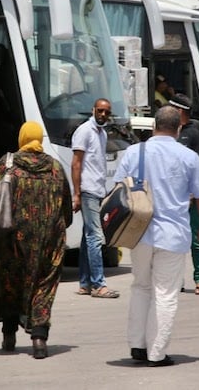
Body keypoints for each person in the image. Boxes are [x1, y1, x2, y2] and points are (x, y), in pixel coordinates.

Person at [115, 106, 199, 367]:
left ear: (153, 125)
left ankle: (137, 345)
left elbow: (117, 188)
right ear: (179, 128)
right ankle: (156, 352)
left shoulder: (133, 152)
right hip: (172, 235)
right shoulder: (188, 156)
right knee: (165, 293)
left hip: (138, 232)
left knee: (140, 286)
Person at [0, 121, 72, 359]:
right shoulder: (55, 168)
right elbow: (67, 209)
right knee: (44, 285)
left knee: (10, 282)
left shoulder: (7, 165)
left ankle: (9, 333)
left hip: (12, 241)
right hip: (49, 241)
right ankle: (39, 338)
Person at [71, 98, 119, 299]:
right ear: (93, 110)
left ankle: (85, 283)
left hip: (98, 190)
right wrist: (76, 193)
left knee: (88, 236)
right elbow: (76, 163)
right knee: (96, 237)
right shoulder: (84, 131)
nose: (103, 115)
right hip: (88, 190)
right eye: (100, 111)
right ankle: (99, 284)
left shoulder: (102, 133)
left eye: (107, 112)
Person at [168, 94, 199, 295]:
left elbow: (198, 163)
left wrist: (194, 192)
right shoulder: (170, 132)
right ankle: (176, 279)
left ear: (181, 111)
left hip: (191, 195)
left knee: (195, 239)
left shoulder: (194, 132)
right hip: (172, 196)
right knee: (174, 241)